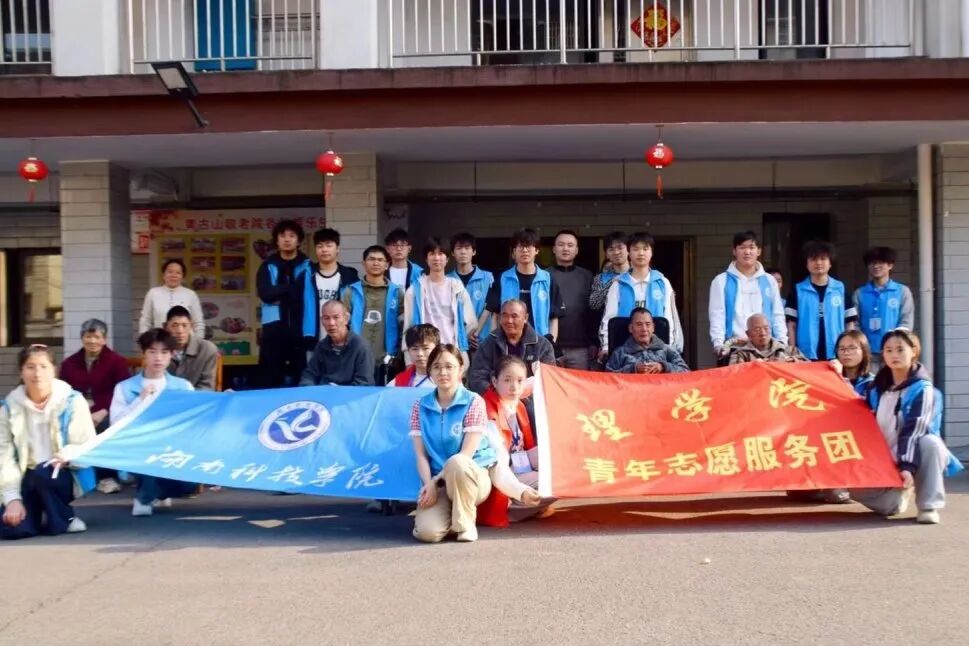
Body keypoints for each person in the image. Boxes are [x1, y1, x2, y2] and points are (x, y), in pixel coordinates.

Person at [409, 345, 539, 543]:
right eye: (436, 367)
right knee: (428, 533)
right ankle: (449, 516)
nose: (443, 372)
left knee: (457, 462)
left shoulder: (474, 401)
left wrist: (434, 482)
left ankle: (465, 523)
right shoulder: (420, 406)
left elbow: (466, 455)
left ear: (461, 369)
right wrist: (429, 484)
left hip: (472, 478)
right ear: (430, 372)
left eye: (449, 366)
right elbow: (420, 454)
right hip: (441, 483)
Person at [850, 330, 963, 524]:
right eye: (888, 350)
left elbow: (916, 429)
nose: (894, 355)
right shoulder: (875, 389)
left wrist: (907, 466)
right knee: (861, 493)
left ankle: (928, 505)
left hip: (913, 457)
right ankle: (898, 495)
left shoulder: (924, 390)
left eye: (900, 349)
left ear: (914, 351)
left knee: (931, 443)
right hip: (883, 456)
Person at [1, 345, 95, 539]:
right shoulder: (8, 408)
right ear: (21, 371)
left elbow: (85, 444)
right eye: (30, 367)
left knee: (44, 473)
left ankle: (63, 518)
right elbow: (4, 457)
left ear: (54, 370)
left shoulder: (72, 401)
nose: (37, 373)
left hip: (61, 472)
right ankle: (36, 515)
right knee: (14, 528)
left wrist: (66, 456)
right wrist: (12, 499)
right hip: (25, 477)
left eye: (44, 366)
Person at [110, 329, 197, 517]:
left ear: (171, 355)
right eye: (152, 352)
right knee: (149, 456)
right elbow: (115, 424)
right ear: (143, 354)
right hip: (137, 448)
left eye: (164, 352)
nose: (158, 358)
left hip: (174, 448)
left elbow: (195, 420)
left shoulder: (183, 386)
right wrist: (139, 401)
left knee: (189, 485)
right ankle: (144, 498)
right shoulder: (125, 387)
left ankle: (157, 492)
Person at [59, 318, 130, 494]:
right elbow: (64, 392)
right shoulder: (69, 363)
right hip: (78, 410)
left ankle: (107, 477)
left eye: (97, 337)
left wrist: (103, 411)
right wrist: (81, 412)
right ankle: (70, 475)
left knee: (105, 428)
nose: (92, 341)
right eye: (88, 336)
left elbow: (122, 391)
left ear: (104, 339)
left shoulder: (116, 361)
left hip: (108, 409)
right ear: (82, 338)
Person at [482, 355, 553, 521]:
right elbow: (497, 466)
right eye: (507, 380)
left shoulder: (517, 405)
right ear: (494, 381)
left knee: (558, 461)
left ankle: (530, 503)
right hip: (500, 472)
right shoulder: (488, 411)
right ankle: (511, 509)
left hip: (519, 463)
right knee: (554, 483)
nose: (514, 387)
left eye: (520, 381)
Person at [599, 232, 684, 358]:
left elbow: (669, 318)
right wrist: (607, 346)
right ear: (629, 252)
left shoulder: (662, 282)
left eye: (645, 249)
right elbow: (609, 318)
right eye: (636, 249)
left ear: (652, 252)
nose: (641, 253)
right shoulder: (618, 284)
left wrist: (669, 346)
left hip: (658, 349)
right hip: (624, 349)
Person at [709, 231, 787, 362]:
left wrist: (782, 342)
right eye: (742, 247)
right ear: (734, 251)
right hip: (734, 348)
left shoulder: (769, 280)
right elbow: (717, 315)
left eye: (751, 247)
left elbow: (777, 314)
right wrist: (718, 343)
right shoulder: (721, 281)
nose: (747, 252)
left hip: (767, 350)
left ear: (759, 251)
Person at [256, 219, 317, 388]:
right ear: (276, 240)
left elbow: (308, 298)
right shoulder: (267, 266)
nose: (287, 239)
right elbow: (266, 294)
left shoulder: (307, 266)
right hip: (273, 330)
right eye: (282, 236)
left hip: (300, 330)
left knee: (301, 380)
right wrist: (291, 288)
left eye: (292, 236)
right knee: (269, 381)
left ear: (299, 241)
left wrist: (279, 291)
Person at [403, 237, 478, 362]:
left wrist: (461, 341)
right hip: (425, 355)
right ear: (426, 259)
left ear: (447, 258)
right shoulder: (415, 290)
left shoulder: (456, 287)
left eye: (441, 253)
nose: (436, 258)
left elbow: (471, 322)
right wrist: (408, 358)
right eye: (432, 254)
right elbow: (408, 326)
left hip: (453, 352)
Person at [485, 228, 565, 341]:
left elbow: (554, 317)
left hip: (540, 341)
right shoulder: (503, 278)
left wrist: (551, 343)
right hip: (508, 342)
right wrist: (494, 341)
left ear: (537, 250)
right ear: (514, 251)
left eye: (529, 246)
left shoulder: (547, 279)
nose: (525, 250)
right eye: (521, 246)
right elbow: (495, 314)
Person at [785, 241, 858, 361]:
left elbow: (849, 322)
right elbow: (791, 324)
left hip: (836, 352)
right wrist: (792, 349)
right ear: (807, 264)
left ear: (830, 263)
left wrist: (849, 348)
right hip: (805, 354)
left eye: (823, 259)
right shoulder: (798, 290)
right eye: (813, 259)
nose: (818, 263)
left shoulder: (840, 289)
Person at [342, 245, 403, 384]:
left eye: (380, 260)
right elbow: (342, 326)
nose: (376, 263)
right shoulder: (351, 292)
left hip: (387, 360)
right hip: (356, 358)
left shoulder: (397, 293)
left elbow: (403, 327)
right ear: (363, 264)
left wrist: (398, 354)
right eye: (371, 259)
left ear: (387, 265)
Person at [469, 299, 556, 395]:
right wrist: (498, 396)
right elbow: (477, 377)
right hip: (495, 399)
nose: (509, 321)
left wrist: (521, 396)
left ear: (525, 318)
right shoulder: (489, 343)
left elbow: (548, 380)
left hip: (530, 400)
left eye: (514, 316)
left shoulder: (542, 346)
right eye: (505, 315)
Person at [852, 246, 915, 371]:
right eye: (872, 263)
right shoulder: (859, 293)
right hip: (868, 353)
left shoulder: (902, 291)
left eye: (880, 262)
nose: (876, 266)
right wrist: (862, 346)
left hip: (894, 354)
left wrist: (896, 346)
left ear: (890, 265)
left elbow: (906, 322)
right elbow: (854, 323)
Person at [550, 229, 596, 370]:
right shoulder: (544, 276)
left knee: (580, 384)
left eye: (570, 245)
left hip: (581, 348)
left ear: (576, 250)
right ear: (554, 249)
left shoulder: (587, 276)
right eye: (561, 245)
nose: (565, 248)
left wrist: (594, 342)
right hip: (551, 347)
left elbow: (593, 312)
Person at [300, 300, 375, 386]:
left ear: (346, 318)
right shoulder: (321, 346)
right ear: (322, 321)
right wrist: (308, 387)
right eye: (326, 318)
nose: (331, 323)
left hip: (351, 393)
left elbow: (364, 382)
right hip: (324, 391)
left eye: (336, 317)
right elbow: (310, 374)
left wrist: (338, 391)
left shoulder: (361, 347)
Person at [311, 227, 360, 341]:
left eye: (329, 245)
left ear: (337, 249)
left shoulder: (349, 276)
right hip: (312, 338)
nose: (324, 250)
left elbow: (356, 309)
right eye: (320, 246)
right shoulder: (307, 276)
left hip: (342, 339)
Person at [606, 308, 689, 374]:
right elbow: (607, 377)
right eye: (639, 324)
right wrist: (633, 369)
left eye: (648, 324)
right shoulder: (620, 353)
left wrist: (663, 367)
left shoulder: (667, 349)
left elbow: (685, 371)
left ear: (653, 328)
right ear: (630, 328)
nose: (644, 329)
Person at [448, 232, 495, 343]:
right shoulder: (447, 280)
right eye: (459, 248)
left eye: (467, 248)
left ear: (474, 252)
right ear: (453, 253)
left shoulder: (487, 278)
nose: (463, 252)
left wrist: (476, 333)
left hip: (481, 340)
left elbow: (491, 309)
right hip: (454, 341)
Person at [139, 259, 205, 336]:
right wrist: (144, 339)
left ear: (182, 276)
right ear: (163, 275)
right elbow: (145, 321)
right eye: (170, 272)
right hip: (161, 339)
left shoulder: (190, 294)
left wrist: (198, 341)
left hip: (185, 340)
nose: (174, 275)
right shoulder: (153, 293)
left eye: (178, 272)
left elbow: (198, 323)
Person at [165, 305, 220, 391]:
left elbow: (206, 387)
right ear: (166, 327)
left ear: (191, 326)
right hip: (167, 397)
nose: (180, 331)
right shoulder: (159, 350)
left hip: (197, 398)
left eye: (184, 325)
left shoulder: (207, 349)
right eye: (175, 325)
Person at [728, 313, 806, 365]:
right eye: (757, 330)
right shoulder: (740, 354)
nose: (763, 333)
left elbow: (807, 366)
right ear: (748, 334)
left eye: (766, 328)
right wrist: (756, 365)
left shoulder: (788, 350)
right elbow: (734, 374)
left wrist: (788, 361)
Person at [589, 231, 629, 314]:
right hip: (610, 321)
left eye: (620, 248)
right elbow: (594, 305)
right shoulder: (600, 278)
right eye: (611, 249)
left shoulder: (638, 274)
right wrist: (612, 282)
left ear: (628, 250)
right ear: (606, 254)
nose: (616, 252)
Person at [388, 324, 439, 389]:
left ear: (437, 349)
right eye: (414, 349)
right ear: (408, 351)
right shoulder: (397, 382)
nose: (420, 354)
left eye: (425, 348)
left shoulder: (448, 378)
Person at [830, 329, 874, 395]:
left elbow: (854, 400)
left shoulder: (873, 383)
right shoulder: (829, 379)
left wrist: (841, 379)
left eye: (852, 348)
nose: (846, 353)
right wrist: (837, 376)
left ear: (864, 351)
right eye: (842, 349)